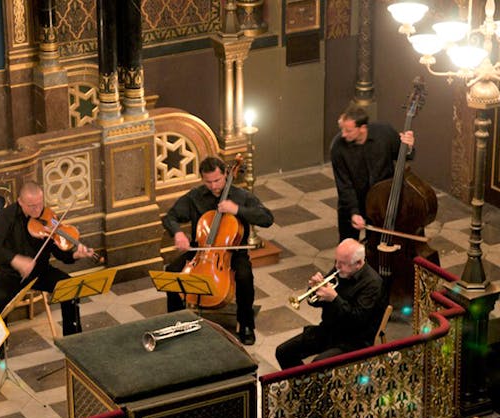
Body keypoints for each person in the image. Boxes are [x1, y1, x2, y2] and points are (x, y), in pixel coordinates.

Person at [162, 156, 274, 346]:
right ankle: (176, 320)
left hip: (232, 253)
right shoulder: (195, 197)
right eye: (208, 182)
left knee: (244, 277)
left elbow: (267, 218)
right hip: (200, 250)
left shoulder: (241, 196)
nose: (214, 186)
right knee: (172, 273)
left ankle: (246, 324)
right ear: (202, 179)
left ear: (225, 175)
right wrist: (178, 233)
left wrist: (237, 209)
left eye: (218, 180)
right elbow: (170, 217)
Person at [0, 181, 96, 368]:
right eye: (31, 206)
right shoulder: (7, 217)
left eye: (40, 204)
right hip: (12, 273)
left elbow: (60, 252)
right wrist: (16, 259)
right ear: (20, 202)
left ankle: (73, 342)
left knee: (69, 288)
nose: (37, 209)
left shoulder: (49, 217)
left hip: (41, 271)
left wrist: (75, 254)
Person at [275, 239, 385, 369]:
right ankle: (302, 384)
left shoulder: (372, 284)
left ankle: (314, 386)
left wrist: (334, 298)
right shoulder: (340, 269)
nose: (337, 266)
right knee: (283, 352)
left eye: (342, 263)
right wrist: (313, 289)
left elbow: (357, 320)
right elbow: (315, 302)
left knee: (317, 365)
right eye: (336, 261)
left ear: (359, 263)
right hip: (329, 330)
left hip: (353, 340)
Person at [331, 105, 415, 241]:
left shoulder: (385, 133)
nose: (343, 134)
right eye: (342, 129)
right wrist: (353, 212)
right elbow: (344, 185)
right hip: (353, 201)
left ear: (363, 128)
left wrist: (408, 146)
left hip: (381, 203)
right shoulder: (338, 147)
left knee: (377, 243)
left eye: (348, 130)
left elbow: (403, 155)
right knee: (347, 244)